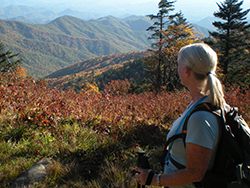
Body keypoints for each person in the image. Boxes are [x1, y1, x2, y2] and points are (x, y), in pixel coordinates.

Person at [135, 43, 225, 187]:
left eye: (178, 64)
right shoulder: (203, 105)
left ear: (186, 70)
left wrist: (154, 180)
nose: (177, 69)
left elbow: (195, 173)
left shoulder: (200, 118)